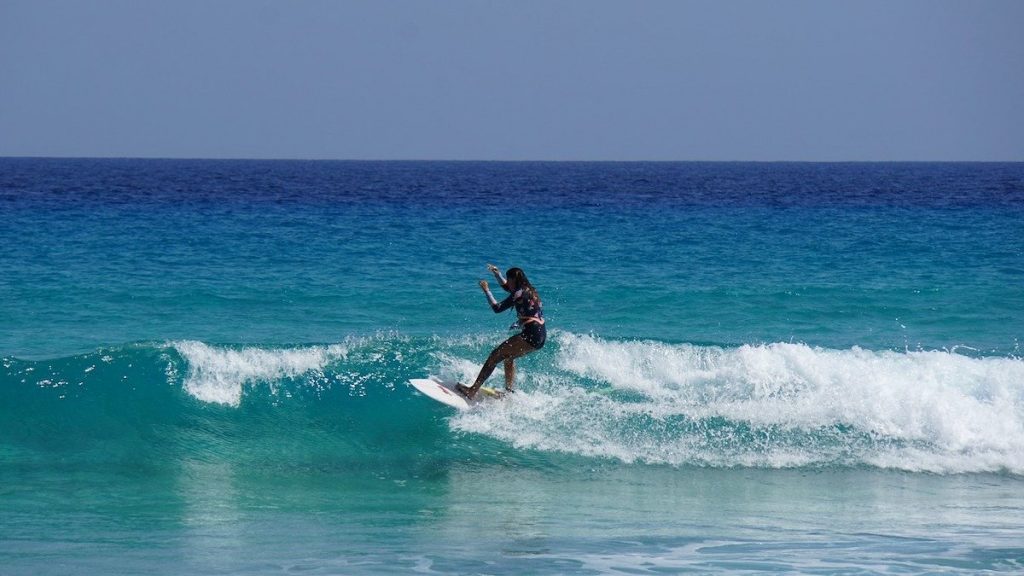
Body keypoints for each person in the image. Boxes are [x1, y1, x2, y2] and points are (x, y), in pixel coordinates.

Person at [456, 264, 546, 399]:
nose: (508, 283)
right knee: (508, 358)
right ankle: (509, 392)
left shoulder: (519, 293)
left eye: (509, 280)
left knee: (494, 357)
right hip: (540, 336)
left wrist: (486, 290)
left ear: (513, 280)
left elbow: (497, 308)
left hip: (530, 334)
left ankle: (472, 391)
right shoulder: (529, 291)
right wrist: (497, 274)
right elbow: (507, 288)